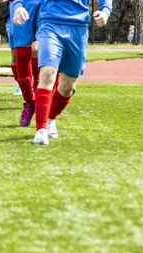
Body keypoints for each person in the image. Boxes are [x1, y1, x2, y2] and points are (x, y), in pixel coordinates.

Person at [13, 0, 112, 145]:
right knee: (47, 74)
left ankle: (50, 118)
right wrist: (18, 6)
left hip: (78, 28)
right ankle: (40, 131)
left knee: (67, 87)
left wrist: (105, 11)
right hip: (50, 24)